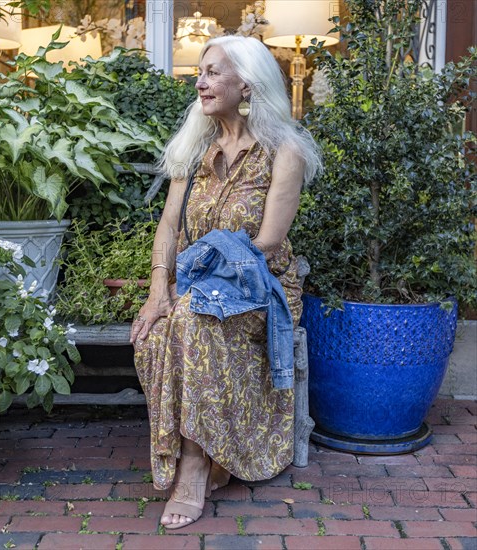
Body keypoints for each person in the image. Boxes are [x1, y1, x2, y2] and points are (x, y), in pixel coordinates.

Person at [129, 35, 322, 530]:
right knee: (155, 331)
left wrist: (190, 292)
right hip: (197, 287)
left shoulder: (285, 151)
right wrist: (158, 294)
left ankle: (193, 468)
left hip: (259, 291)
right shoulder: (195, 151)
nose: (200, 81)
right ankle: (209, 450)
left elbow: (267, 243)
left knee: (191, 320)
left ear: (248, 84)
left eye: (214, 72)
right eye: (200, 71)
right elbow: (169, 228)